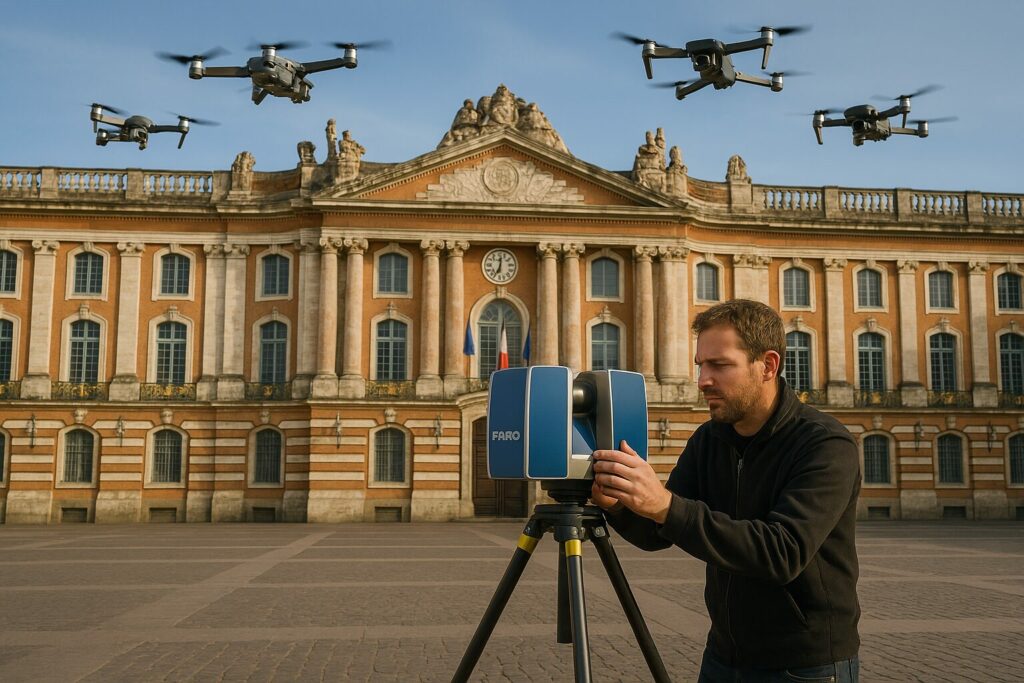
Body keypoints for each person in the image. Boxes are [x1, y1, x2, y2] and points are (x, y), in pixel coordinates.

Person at [592, 299, 861, 682]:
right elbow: (655, 533)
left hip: (804, 665)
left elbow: (782, 552)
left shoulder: (824, 444)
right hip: (723, 655)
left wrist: (665, 505)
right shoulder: (709, 440)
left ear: (768, 365)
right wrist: (616, 503)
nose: (703, 379)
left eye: (719, 365)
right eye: (701, 365)